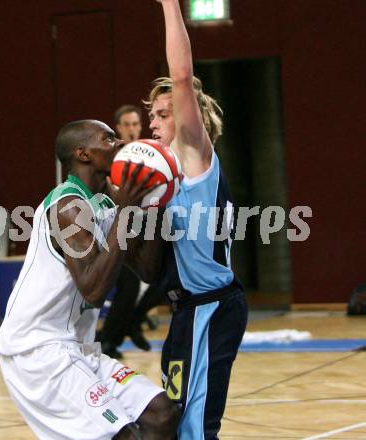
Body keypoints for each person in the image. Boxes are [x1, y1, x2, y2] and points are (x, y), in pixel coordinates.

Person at [0, 120, 179, 440]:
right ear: (83, 153)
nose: (119, 143)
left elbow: (148, 270)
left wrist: (155, 204)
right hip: (38, 351)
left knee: (161, 415)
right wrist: (125, 211)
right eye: (108, 138)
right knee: (123, 436)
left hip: (78, 349)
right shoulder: (67, 206)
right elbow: (93, 291)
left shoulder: (108, 201)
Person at [144, 1, 248, 438]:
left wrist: (169, 4)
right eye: (151, 114)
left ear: (191, 121)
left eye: (163, 114)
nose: (153, 122)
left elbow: (182, 76)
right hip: (186, 313)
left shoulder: (196, 159)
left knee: (196, 430)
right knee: (174, 424)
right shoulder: (163, 181)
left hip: (213, 309)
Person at [99, 104, 154, 358]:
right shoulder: (114, 158)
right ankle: (108, 340)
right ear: (118, 128)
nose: (132, 129)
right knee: (129, 285)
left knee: (161, 278)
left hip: (143, 228)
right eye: (127, 125)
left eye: (135, 124)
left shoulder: (151, 155)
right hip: (113, 230)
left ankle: (128, 326)